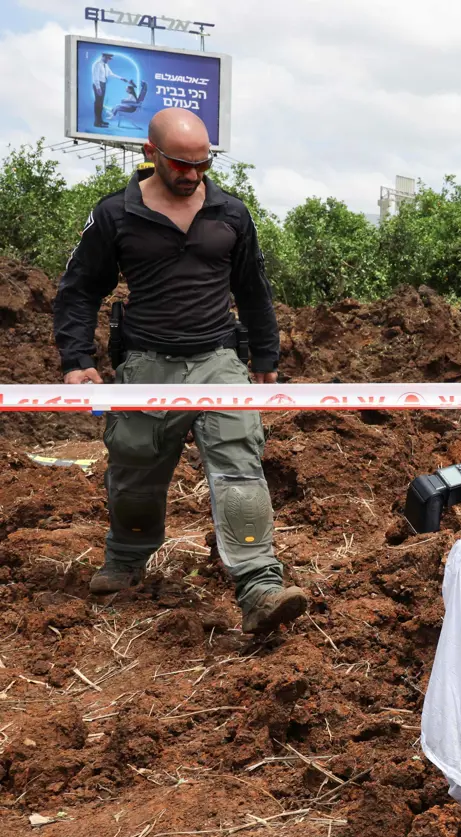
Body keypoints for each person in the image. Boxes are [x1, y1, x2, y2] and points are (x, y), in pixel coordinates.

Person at [53, 108, 307, 635]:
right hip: (146, 361)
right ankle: (125, 561)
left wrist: (265, 361)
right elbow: (79, 290)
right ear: (150, 155)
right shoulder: (114, 215)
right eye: (180, 164)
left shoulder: (231, 213)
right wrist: (78, 361)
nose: (193, 174)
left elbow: (254, 291)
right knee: (135, 470)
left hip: (218, 359)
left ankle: (259, 585)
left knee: (239, 464)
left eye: (202, 163)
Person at [91, 52, 123, 128]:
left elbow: (111, 74)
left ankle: (100, 120)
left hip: (103, 84)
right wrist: (98, 88)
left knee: (101, 104)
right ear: (103, 57)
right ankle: (97, 122)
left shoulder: (105, 65)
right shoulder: (97, 64)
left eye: (109, 59)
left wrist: (121, 78)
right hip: (98, 84)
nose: (108, 60)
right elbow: (95, 77)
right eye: (108, 58)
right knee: (98, 104)